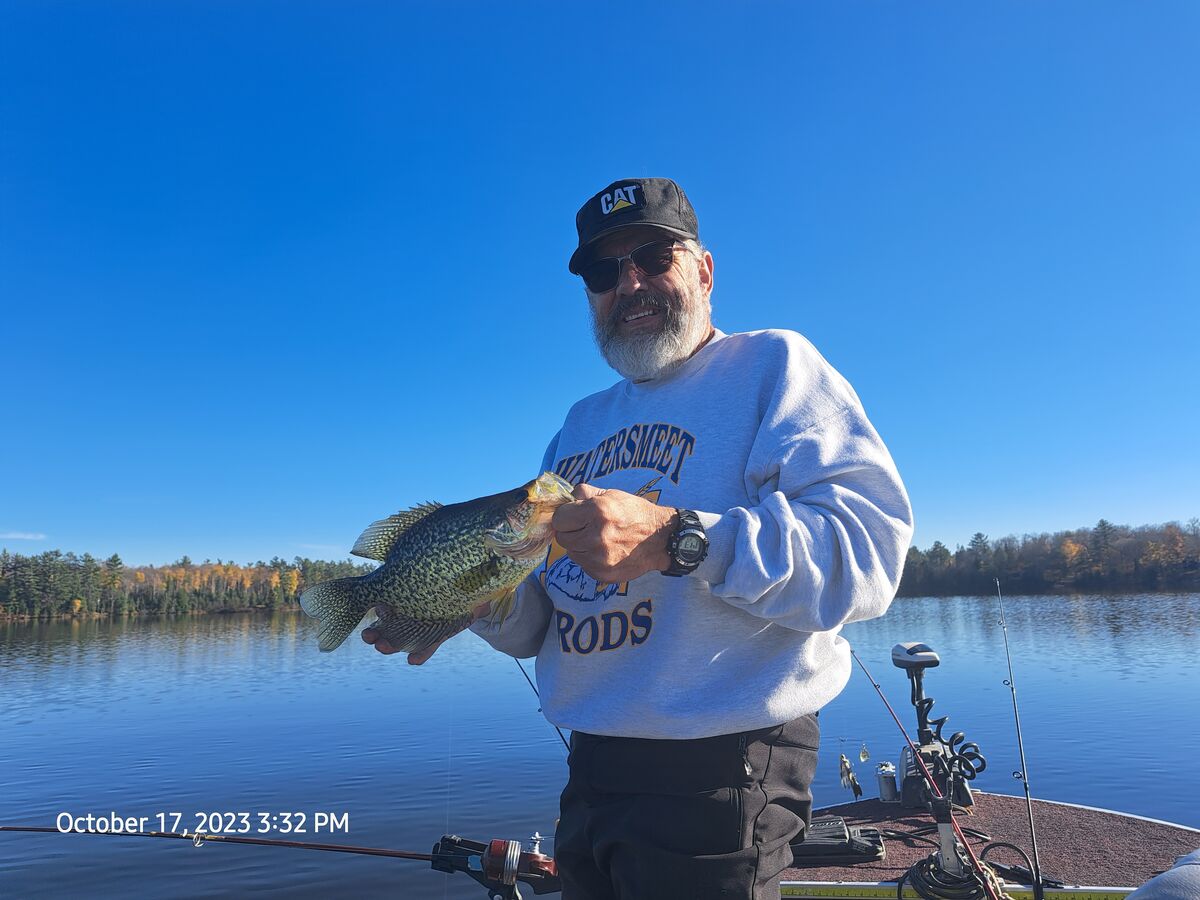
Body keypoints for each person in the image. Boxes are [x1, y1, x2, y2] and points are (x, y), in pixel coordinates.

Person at [364, 177, 913, 899]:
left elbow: (866, 555)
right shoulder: (580, 424)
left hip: (725, 766)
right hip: (592, 766)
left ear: (704, 271)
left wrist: (676, 538)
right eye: (602, 271)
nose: (629, 284)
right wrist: (476, 598)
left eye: (654, 257)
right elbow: (539, 627)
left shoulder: (773, 367)